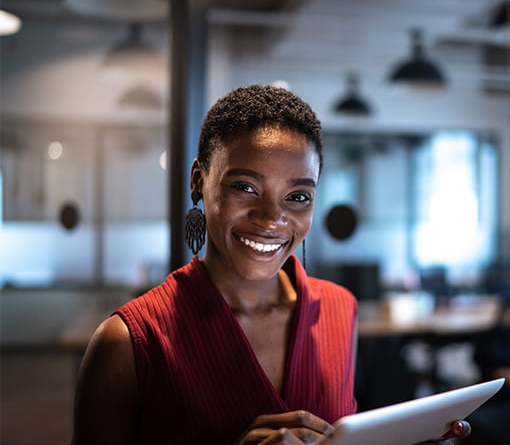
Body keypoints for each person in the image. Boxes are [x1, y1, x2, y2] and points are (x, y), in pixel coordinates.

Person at [71, 85, 470, 445]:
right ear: (198, 180)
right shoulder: (127, 343)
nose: (271, 219)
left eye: (298, 197)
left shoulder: (338, 309)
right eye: (245, 187)